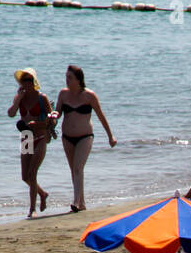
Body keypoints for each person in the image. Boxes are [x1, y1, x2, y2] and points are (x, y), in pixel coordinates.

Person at [55, 65, 116, 213]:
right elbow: (57, 113)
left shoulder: (89, 96)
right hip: (67, 137)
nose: (67, 80)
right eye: (66, 77)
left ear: (78, 79)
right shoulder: (63, 94)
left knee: (78, 168)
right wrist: (52, 117)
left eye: (70, 77)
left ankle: (75, 201)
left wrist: (110, 136)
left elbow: (101, 116)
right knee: (74, 170)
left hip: (85, 136)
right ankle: (81, 203)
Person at [7, 68, 55, 217]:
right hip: (27, 136)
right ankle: (42, 193)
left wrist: (39, 123)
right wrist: (18, 100)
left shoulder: (42, 97)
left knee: (32, 173)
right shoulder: (19, 97)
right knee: (25, 176)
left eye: (28, 80)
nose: (26, 83)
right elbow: (11, 113)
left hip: (40, 136)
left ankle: (32, 209)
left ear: (34, 82)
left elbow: (51, 119)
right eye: (23, 81)